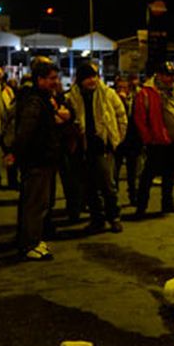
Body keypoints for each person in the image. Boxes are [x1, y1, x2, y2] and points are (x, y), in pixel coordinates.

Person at [12, 60, 70, 260]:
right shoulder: (36, 101)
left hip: (39, 159)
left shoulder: (41, 98)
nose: (56, 82)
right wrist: (16, 153)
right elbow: (26, 131)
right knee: (36, 203)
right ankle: (30, 244)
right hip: (37, 160)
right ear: (40, 79)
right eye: (52, 78)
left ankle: (29, 240)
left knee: (34, 202)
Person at [65, 61, 127, 234]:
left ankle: (114, 217)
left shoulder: (108, 93)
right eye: (88, 78)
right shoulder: (72, 97)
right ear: (80, 80)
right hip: (83, 146)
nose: (92, 81)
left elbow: (121, 115)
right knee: (89, 186)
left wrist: (117, 139)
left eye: (94, 76)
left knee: (108, 186)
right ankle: (97, 219)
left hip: (103, 145)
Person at [134, 61, 174, 217]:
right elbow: (140, 118)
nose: (170, 78)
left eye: (172, 75)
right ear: (159, 75)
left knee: (170, 172)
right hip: (156, 140)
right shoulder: (147, 92)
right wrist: (148, 138)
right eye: (167, 75)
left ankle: (167, 202)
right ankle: (141, 206)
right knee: (149, 174)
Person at [113, 76, 143, 205]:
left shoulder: (135, 99)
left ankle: (133, 195)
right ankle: (113, 197)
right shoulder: (112, 100)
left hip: (133, 139)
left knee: (132, 171)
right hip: (118, 140)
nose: (121, 90)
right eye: (119, 87)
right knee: (115, 171)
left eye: (124, 87)